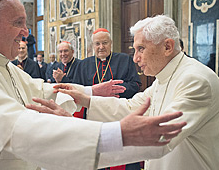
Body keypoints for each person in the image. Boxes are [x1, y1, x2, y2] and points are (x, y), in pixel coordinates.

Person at [0, 0, 186, 170]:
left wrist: (89, 91)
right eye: (18, 23)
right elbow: (16, 128)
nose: (26, 34)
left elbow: (40, 90)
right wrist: (113, 135)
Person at [31, 15, 219, 170]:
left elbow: (160, 136)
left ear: (168, 47)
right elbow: (132, 106)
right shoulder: (166, 77)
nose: (136, 58)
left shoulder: (195, 80)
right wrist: (87, 100)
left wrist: (76, 128)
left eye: (141, 49)